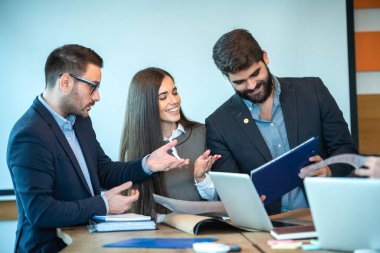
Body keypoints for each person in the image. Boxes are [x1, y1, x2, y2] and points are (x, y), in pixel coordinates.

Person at [6, 45, 189, 252]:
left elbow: (103, 171)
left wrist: (147, 164)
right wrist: (103, 205)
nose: (97, 96)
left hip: (88, 243)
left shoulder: (81, 121)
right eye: (92, 87)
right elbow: (40, 211)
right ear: (66, 82)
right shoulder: (30, 134)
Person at [206, 29, 358, 215]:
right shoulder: (219, 124)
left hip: (326, 214)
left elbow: (346, 150)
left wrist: (328, 170)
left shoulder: (313, 91)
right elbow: (230, 191)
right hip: (264, 227)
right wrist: (246, 199)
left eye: (255, 74)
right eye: (240, 82)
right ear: (227, 78)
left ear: (265, 57)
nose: (252, 86)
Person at [119, 67, 221, 217]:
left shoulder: (202, 133)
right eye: (163, 97)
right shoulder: (135, 148)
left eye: (174, 92)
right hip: (163, 232)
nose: (174, 101)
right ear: (146, 104)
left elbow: (218, 199)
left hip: (206, 226)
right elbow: (138, 207)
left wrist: (201, 178)